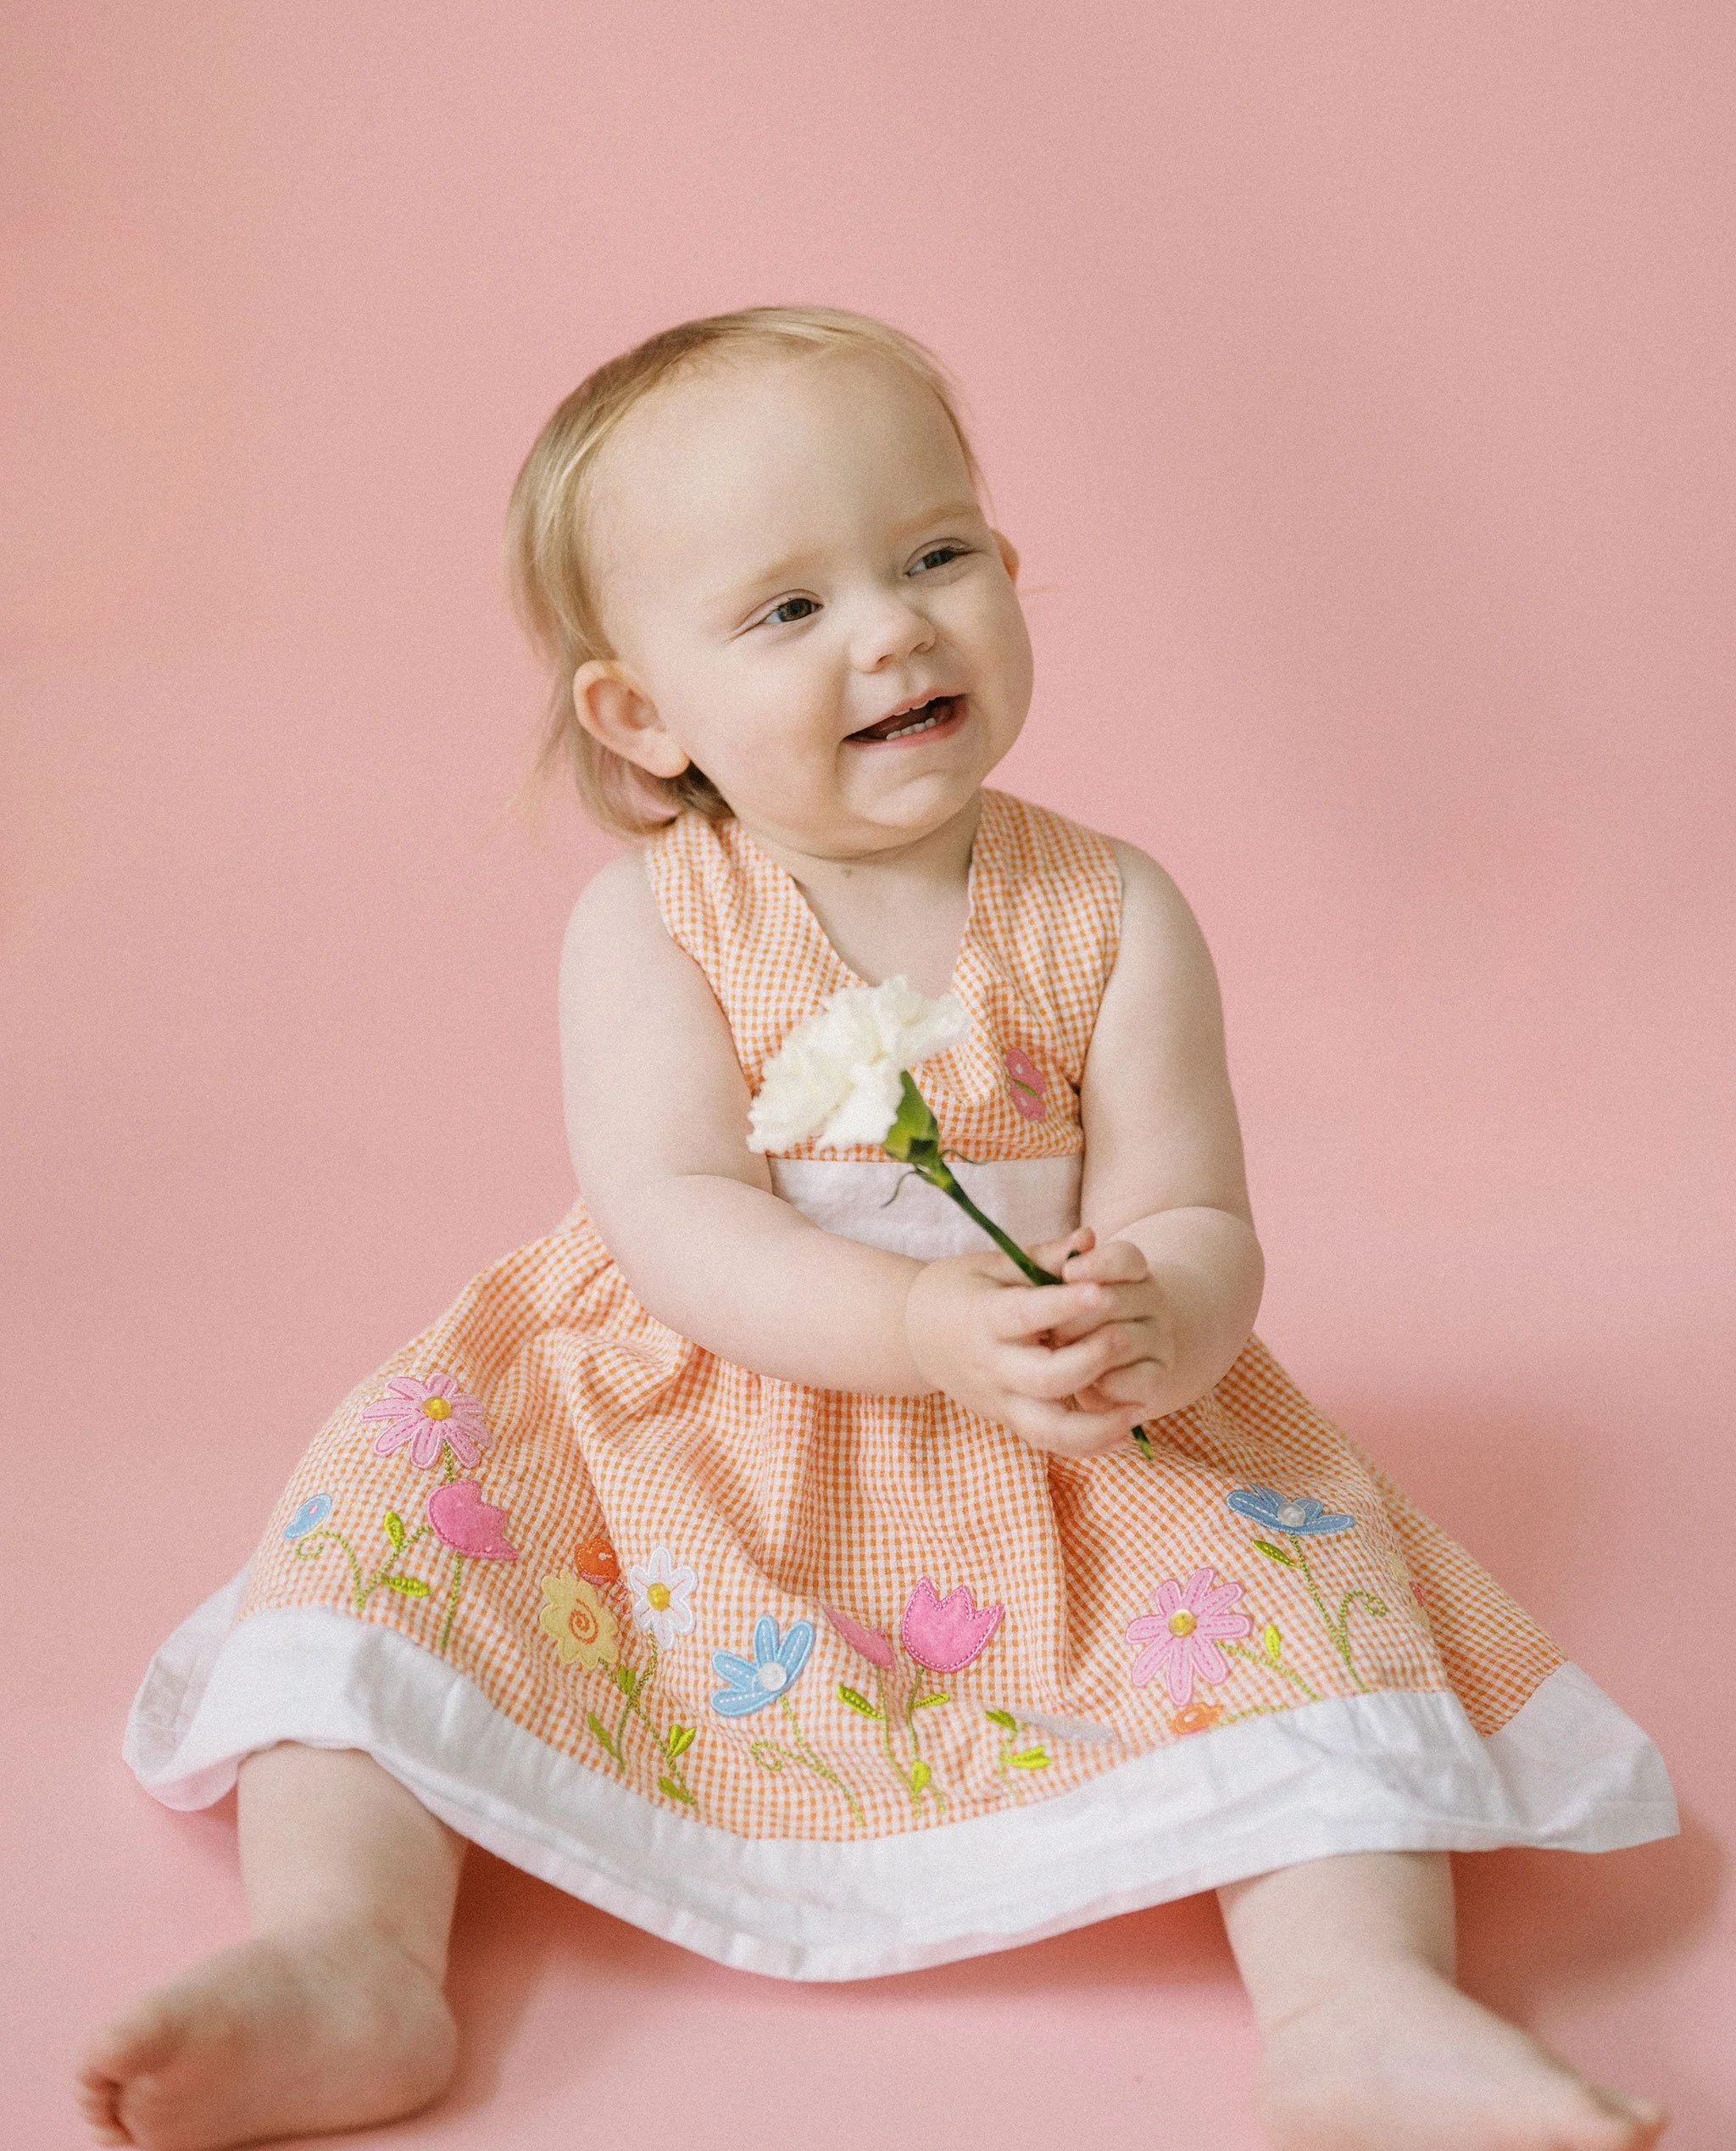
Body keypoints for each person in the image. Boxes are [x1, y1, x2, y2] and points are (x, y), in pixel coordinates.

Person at [81, 307, 1677, 2151]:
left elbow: (1190, 1200)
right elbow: (672, 1215)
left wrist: (1167, 1306)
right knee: (379, 1563)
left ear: (1003, 572)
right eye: (788, 610)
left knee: (1301, 1616)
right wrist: (913, 1331)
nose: (893, 628)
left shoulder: (1112, 906)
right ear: (638, 712)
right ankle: (349, 1954)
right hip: (678, 1441)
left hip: (1056, 1441)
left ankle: (1355, 2007)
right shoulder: (657, 924)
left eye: (932, 557)